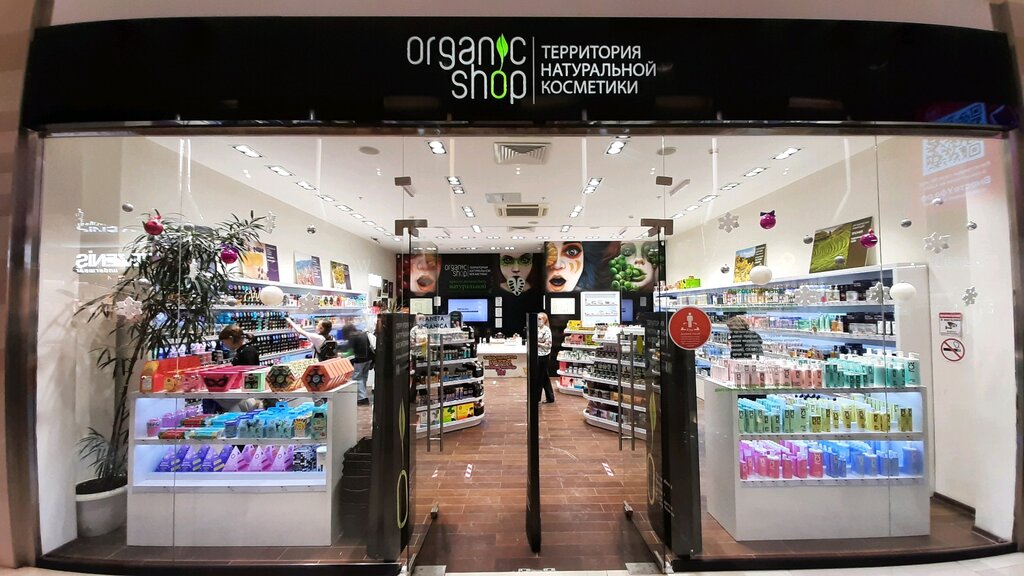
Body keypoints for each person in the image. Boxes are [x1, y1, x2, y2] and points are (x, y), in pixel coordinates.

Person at [342, 323, 375, 405]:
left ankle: (362, 398)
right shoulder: (363, 333)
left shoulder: (353, 336)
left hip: (360, 359)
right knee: (363, 377)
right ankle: (363, 395)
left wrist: (338, 349)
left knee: (357, 378)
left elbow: (348, 348)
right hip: (369, 358)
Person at [534, 313, 555, 403]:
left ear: (544, 320)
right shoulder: (537, 329)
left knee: (540, 377)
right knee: (544, 376)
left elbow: (548, 345)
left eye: (540, 319)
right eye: (537, 318)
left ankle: (537, 398)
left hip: (544, 355)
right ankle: (550, 397)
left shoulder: (547, 330)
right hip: (537, 354)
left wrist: (537, 343)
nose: (538, 320)